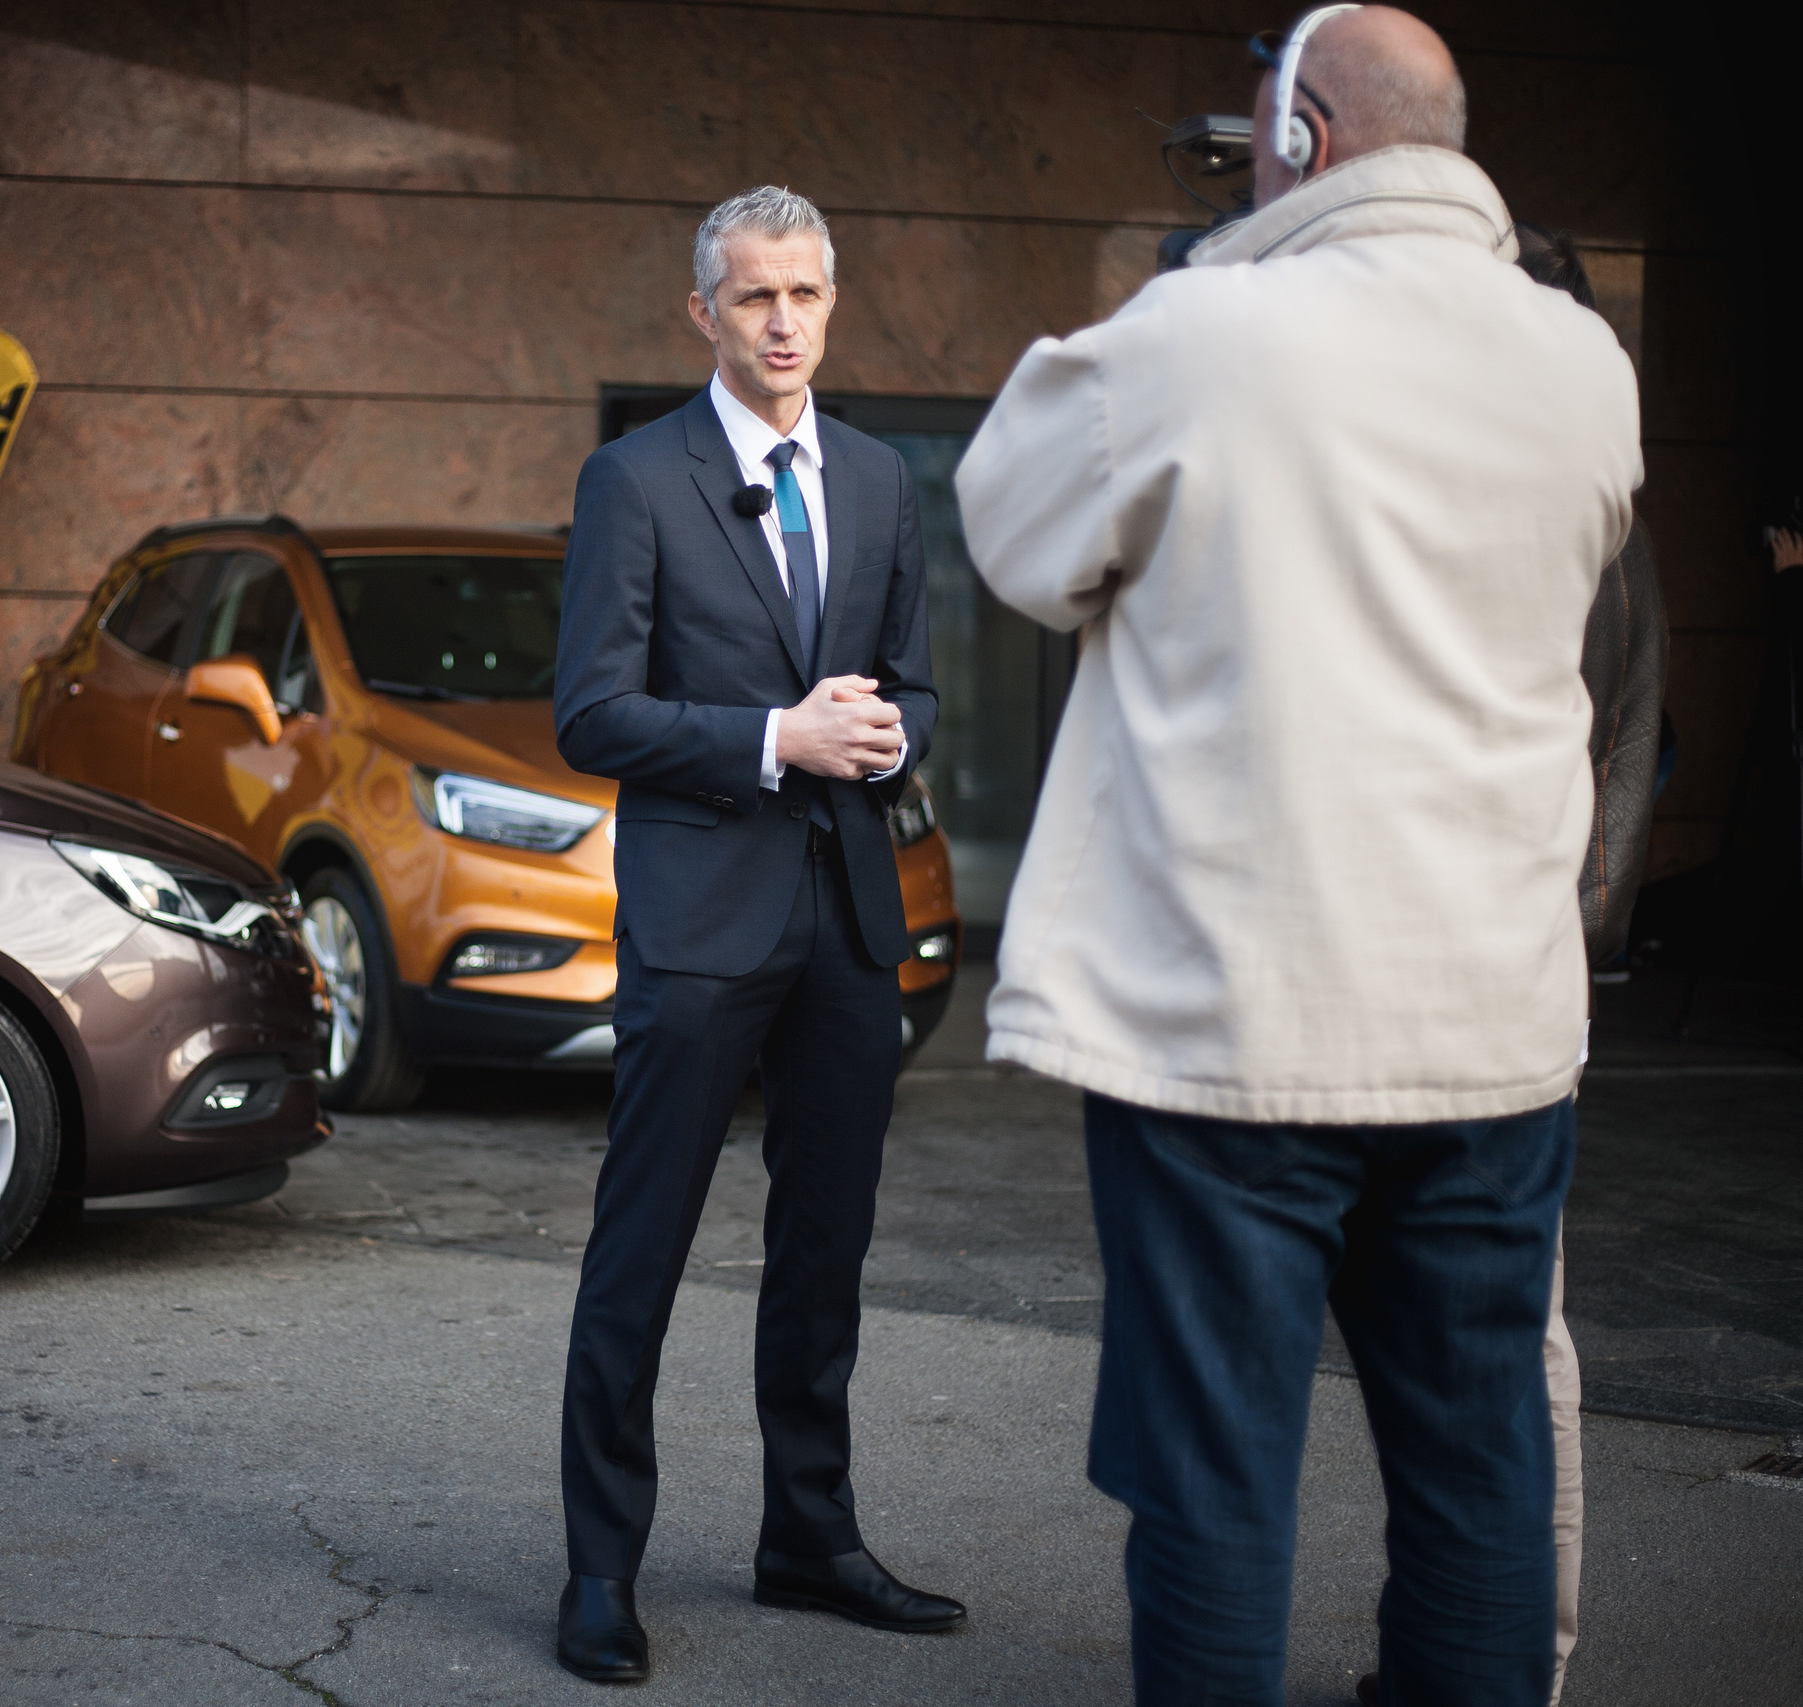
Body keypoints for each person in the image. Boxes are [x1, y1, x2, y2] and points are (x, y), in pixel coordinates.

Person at [954, 8, 1641, 1704]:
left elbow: (1015, 532)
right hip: (1490, 1027)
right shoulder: (1585, 364)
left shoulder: (1205, 333)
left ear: (1308, 141)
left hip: (1235, 1028)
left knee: (1215, 1477)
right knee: (1481, 1467)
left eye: (1252, 138)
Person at [549, 184, 957, 1684]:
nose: (784, 322)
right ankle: (603, 1567)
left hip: (849, 918)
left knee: (825, 1247)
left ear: (829, 305)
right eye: (756, 297)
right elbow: (590, 714)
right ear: (703, 312)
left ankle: (810, 1537)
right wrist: (776, 736)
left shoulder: (879, 476)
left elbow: (910, 688)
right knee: (640, 1250)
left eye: (806, 296)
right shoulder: (635, 480)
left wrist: (884, 739)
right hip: (698, 920)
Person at [1350, 223, 1673, 1707]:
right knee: (1476, 1334)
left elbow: (1603, 750)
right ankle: (1468, 1655)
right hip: (1499, 952)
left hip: (1483, 959)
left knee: (1498, 1334)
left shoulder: (1552, 510)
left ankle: (1511, 1663)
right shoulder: (1592, 497)